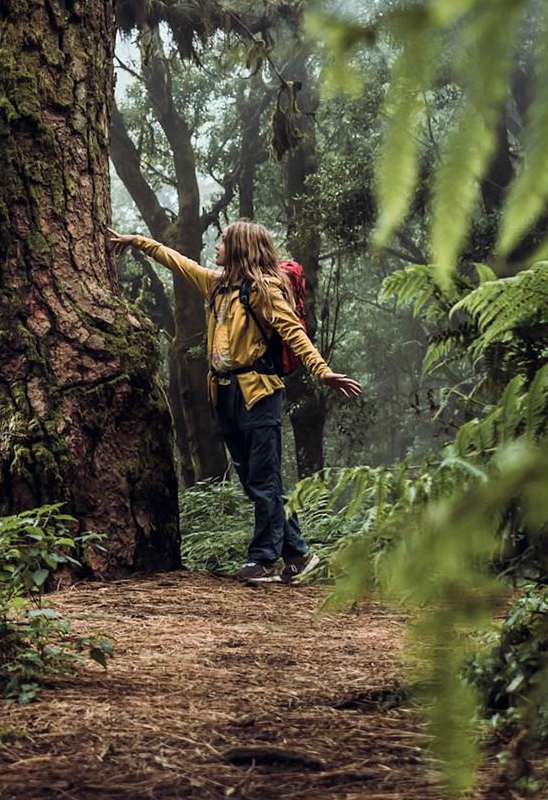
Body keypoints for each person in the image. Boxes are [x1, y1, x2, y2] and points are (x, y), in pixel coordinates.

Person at [107, 221, 363, 584]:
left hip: (259, 391)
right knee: (255, 477)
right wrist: (138, 242)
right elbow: (178, 262)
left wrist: (322, 372)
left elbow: (294, 333)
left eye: (224, 240)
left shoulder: (264, 290)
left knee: (263, 476)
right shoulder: (216, 286)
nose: (217, 245)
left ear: (240, 247)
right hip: (224, 393)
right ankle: (298, 556)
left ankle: (264, 560)